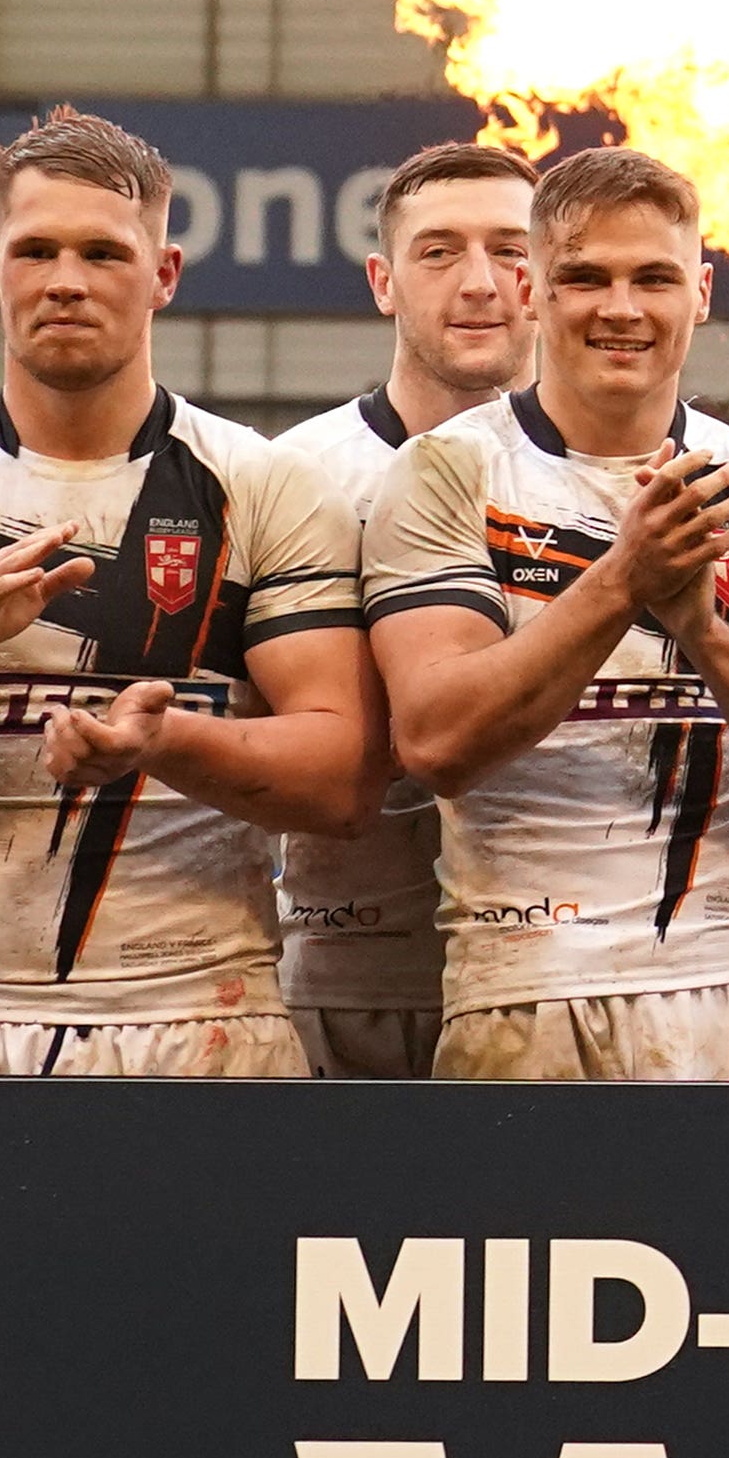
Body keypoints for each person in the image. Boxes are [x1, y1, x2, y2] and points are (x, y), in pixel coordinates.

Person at [0, 106, 375, 1075]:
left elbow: (342, 776)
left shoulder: (265, 487)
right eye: (35, 249)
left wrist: (167, 742)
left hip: (203, 1015)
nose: (67, 280)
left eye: (104, 252)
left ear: (163, 276)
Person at [358, 146, 729, 1083]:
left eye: (654, 278)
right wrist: (620, 581)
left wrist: (707, 634)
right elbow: (434, 740)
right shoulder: (446, 470)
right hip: (532, 983)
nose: (621, 307)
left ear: (702, 292)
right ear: (533, 291)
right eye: (585, 277)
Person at [261, 138, 538, 1078]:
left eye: (512, 249)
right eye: (439, 251)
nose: (481, 283)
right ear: (384, 280)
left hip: (566, 975)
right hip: (349, 981)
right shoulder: (291, 477)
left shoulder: (631, 478)